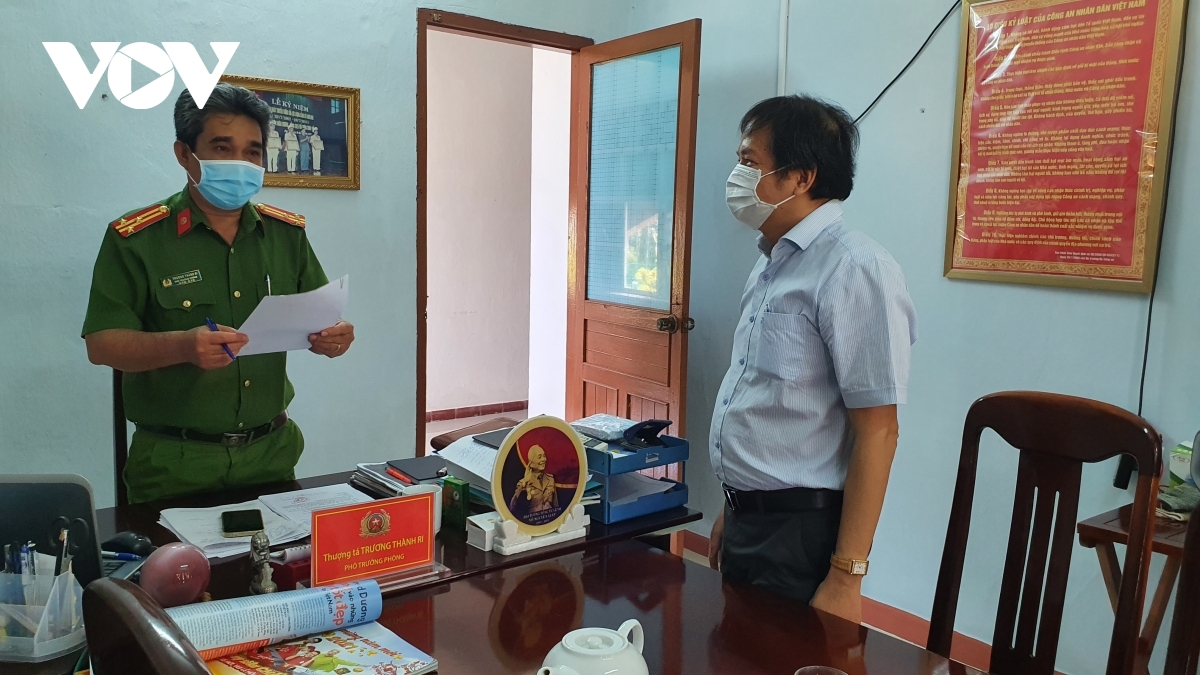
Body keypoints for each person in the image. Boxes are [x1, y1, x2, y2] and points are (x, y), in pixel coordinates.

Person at [82, 83, 355, 504]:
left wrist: (334, 338)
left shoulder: (285, 235)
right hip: (174, 465)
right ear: (184, 154)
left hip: (271, 455)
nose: (240, 163)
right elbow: (102, 345)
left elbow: (321, 317)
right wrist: (182, 346)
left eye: (252, 152)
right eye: (222, 148)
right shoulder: (137, 238)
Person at [706, 95, 916, 623]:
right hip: (749, 519)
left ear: (799, 178)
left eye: (750, 162)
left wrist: (846, 577)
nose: (737, 175)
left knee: (785, 655)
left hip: (801, 535)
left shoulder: (855, 269)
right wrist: (733, 508)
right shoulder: (771, 264)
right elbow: (762, 400)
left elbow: (879, 431)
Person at [509, 445, 558, 519]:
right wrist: (525, 482)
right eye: (539, 457)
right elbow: (512, 507)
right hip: (531, 523)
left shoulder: (550, 479)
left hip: (550, 521)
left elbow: (556, 506)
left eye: (544, 456)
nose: (544, 459)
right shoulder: (522, 484)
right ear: (531, 464)